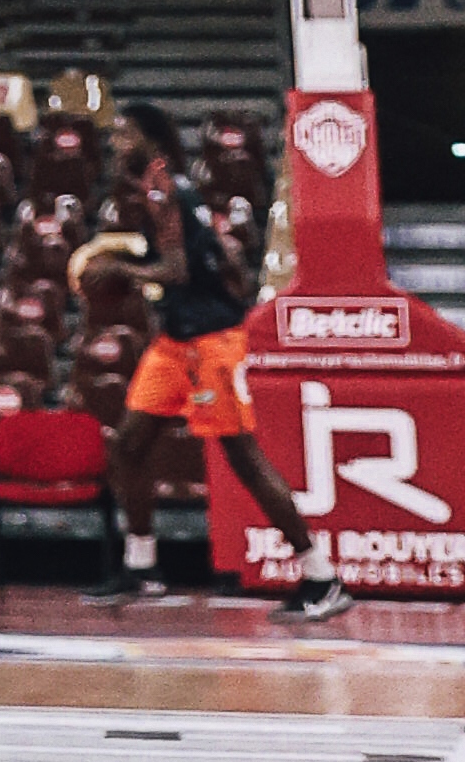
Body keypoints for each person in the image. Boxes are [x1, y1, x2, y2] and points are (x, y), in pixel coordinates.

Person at [104, 106, 341, 623]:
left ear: (147, 136)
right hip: (175, 340)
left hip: (210, 340)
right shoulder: (161, 184)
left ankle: (321, 574)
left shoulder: (164, 185)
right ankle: (142, 567)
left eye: (123, 131)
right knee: (129, 443)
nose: (116, 139)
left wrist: (114, 263)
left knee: (243, 457)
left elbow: (176, 268)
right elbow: (218, 259)